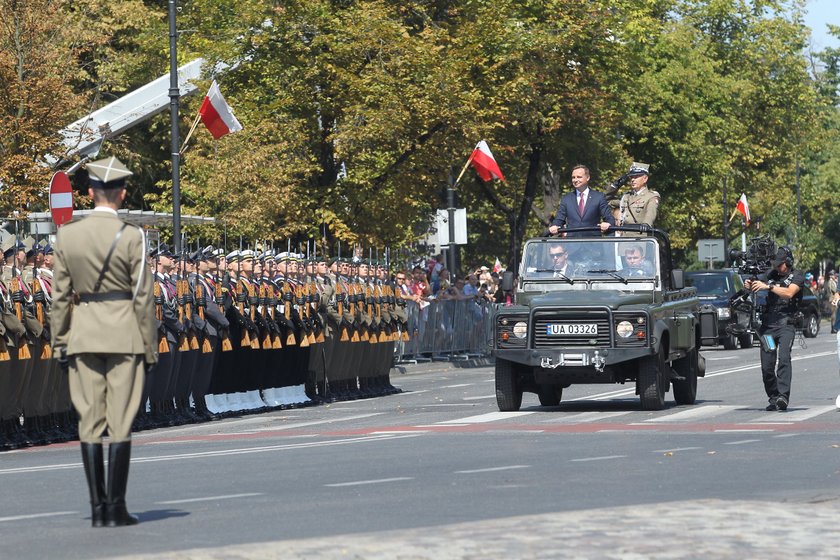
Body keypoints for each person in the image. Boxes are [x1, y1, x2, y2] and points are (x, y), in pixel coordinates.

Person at [50, 156, 158, 527]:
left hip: (83, 334)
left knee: (89, 422)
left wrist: (60, 342)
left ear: (89, 192)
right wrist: (150, 346)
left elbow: (61, 298)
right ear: (123, 193)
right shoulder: (132, 236)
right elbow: (143, 298)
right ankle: (117, 507)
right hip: (124, 334)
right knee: (121, 421)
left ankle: (97, 510)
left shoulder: (68, 236)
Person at [744, 247, 804, 412]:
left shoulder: (797, 276)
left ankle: (783, 396)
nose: (778, 268)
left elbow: (789, 293)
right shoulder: (771, 275)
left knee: (784, 358)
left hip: (786, 326)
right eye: (776, 265)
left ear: (788, 262)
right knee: (767, 365)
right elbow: (755, 281)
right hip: (768, 329)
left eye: (781, 265)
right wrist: (749, 283)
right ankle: (774, 397)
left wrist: (768, 287)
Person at [548, 164, 614, 237]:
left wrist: (608, 223)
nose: (576, 180)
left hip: (593, 244)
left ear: (588, 177)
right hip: (572, 244)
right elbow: (559, 219)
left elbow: (609, 218)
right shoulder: (566, 198)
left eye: (579, 177)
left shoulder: (598, 197)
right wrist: (555, 225)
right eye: (573, 177)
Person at [620, 162, 660, 228]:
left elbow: (650, 213)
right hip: (624, 235)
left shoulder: (651, 196)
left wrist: (646, 224)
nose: (632, 180)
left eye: (636, 177)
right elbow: (606, 200)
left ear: (645, 179)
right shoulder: (626, 196)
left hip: (640, 235)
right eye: (631, 177)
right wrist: (614, 186)